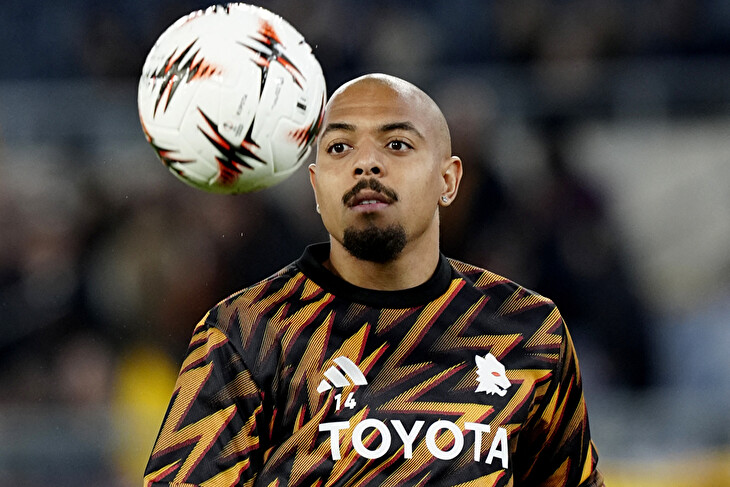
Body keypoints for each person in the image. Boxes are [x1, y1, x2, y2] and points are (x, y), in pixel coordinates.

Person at [143, 73, 604, 487]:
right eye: (339, 148)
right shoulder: (245, 332)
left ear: (448, 180)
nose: (366, 163)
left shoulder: (529, 330)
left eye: (396, 144)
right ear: (317, 185)